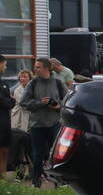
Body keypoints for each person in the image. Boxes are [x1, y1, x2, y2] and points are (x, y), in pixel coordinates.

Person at [20, 58, 68, 188]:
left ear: (47, 68)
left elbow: (69, 102)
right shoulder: (33, 83)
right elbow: (23, 102)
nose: (35, 69)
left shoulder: (58, 83)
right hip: (37, 125)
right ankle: (36, 183)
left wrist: (57, 106)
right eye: (35, 67)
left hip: (55, 124)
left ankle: (59, 184)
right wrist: (40, 103)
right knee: (37, 156)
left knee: (57, 156)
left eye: (38, 67)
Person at [0, 55, 13, 176]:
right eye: (4, 64)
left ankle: (3, 180)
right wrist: (10, 101)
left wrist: (9, 101)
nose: (5, 67)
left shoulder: (4, 82)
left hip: (5, 123)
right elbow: (4, 101)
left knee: (4, 152)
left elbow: (8, 102)